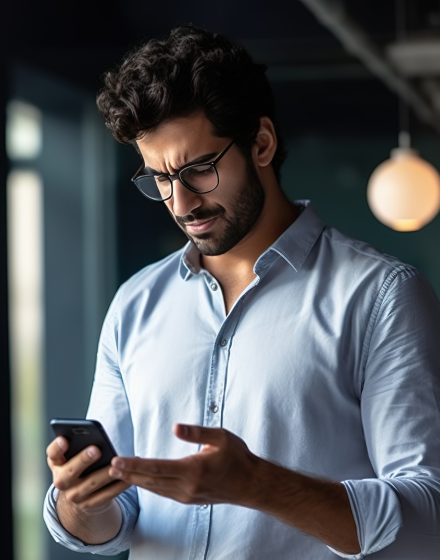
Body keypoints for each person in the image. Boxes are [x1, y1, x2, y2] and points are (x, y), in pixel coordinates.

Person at [44, 26, 440, 559]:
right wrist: (82, 504)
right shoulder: (134, 304)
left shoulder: (381, 296)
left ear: (261, 143)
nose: (180, 203)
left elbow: (428, 519)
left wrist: (258, 484)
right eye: (159, 179)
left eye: (198, 169)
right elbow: (113, 521)